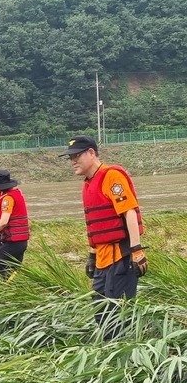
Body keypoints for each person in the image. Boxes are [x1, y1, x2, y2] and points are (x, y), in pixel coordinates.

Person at [59, 135, 147, 330]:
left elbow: (129, 212)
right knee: (100, 309)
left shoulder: (111, 176)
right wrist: (92, 255)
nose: (73, 161)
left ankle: (124, 352)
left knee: (117, 313)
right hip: (103, 258)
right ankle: (106, 350)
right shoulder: (88, 184)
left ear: (91, 153)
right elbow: (95, 226)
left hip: (121, 256)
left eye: (77, 156)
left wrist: (137, 251)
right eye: (70, 158)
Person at [0, 170, 30, 278]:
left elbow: (3, 222)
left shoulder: (7, 198)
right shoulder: (17, 193)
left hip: (13, 243)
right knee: (12, 272)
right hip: (21, 241)